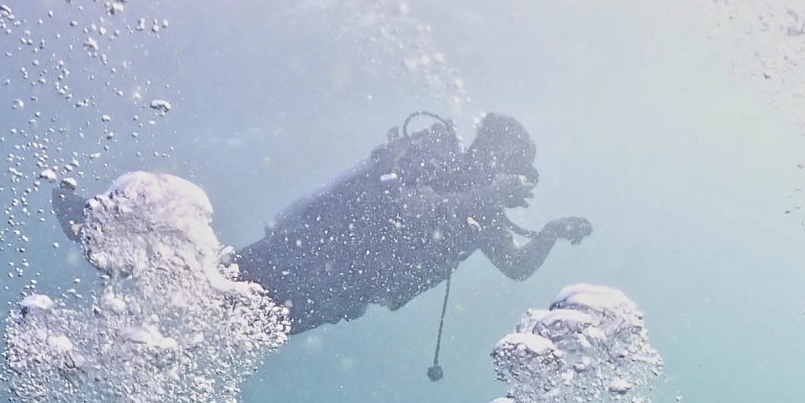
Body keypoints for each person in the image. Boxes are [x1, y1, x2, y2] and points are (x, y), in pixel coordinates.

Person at [55, 114, 590, 338]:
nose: (510, 177)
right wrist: (486, 192)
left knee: (225, 318)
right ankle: (118, 239)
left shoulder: (485, 215)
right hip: (313, 251)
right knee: (220, 291)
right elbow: (407, 208)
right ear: (488, 152)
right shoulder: (436, 156)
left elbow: (517, 268)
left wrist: (548, 233)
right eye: (508, 162)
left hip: (345, 290)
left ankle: (133, 281)